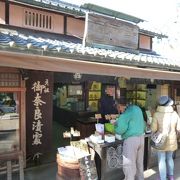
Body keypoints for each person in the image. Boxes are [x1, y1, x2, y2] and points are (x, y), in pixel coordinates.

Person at [151, 96, 180, 180]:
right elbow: (178, 128)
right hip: (172, 140)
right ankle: (171, 176)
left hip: (161, 141)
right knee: (170, 158)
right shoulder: (174, 114)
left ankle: (163, 178)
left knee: (161, 160)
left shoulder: (156, 114)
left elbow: (153, 129)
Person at [115, 103, 146, 180]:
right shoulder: (137, 109)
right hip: (141, 138)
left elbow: (120, 130)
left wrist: (115, 127)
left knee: (129, 164)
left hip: (131, 140)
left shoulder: (125, 114)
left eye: (119, 108)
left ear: (121, 105)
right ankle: (140, 178)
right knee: (139, 162)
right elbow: (143, 123)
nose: (119, 110)